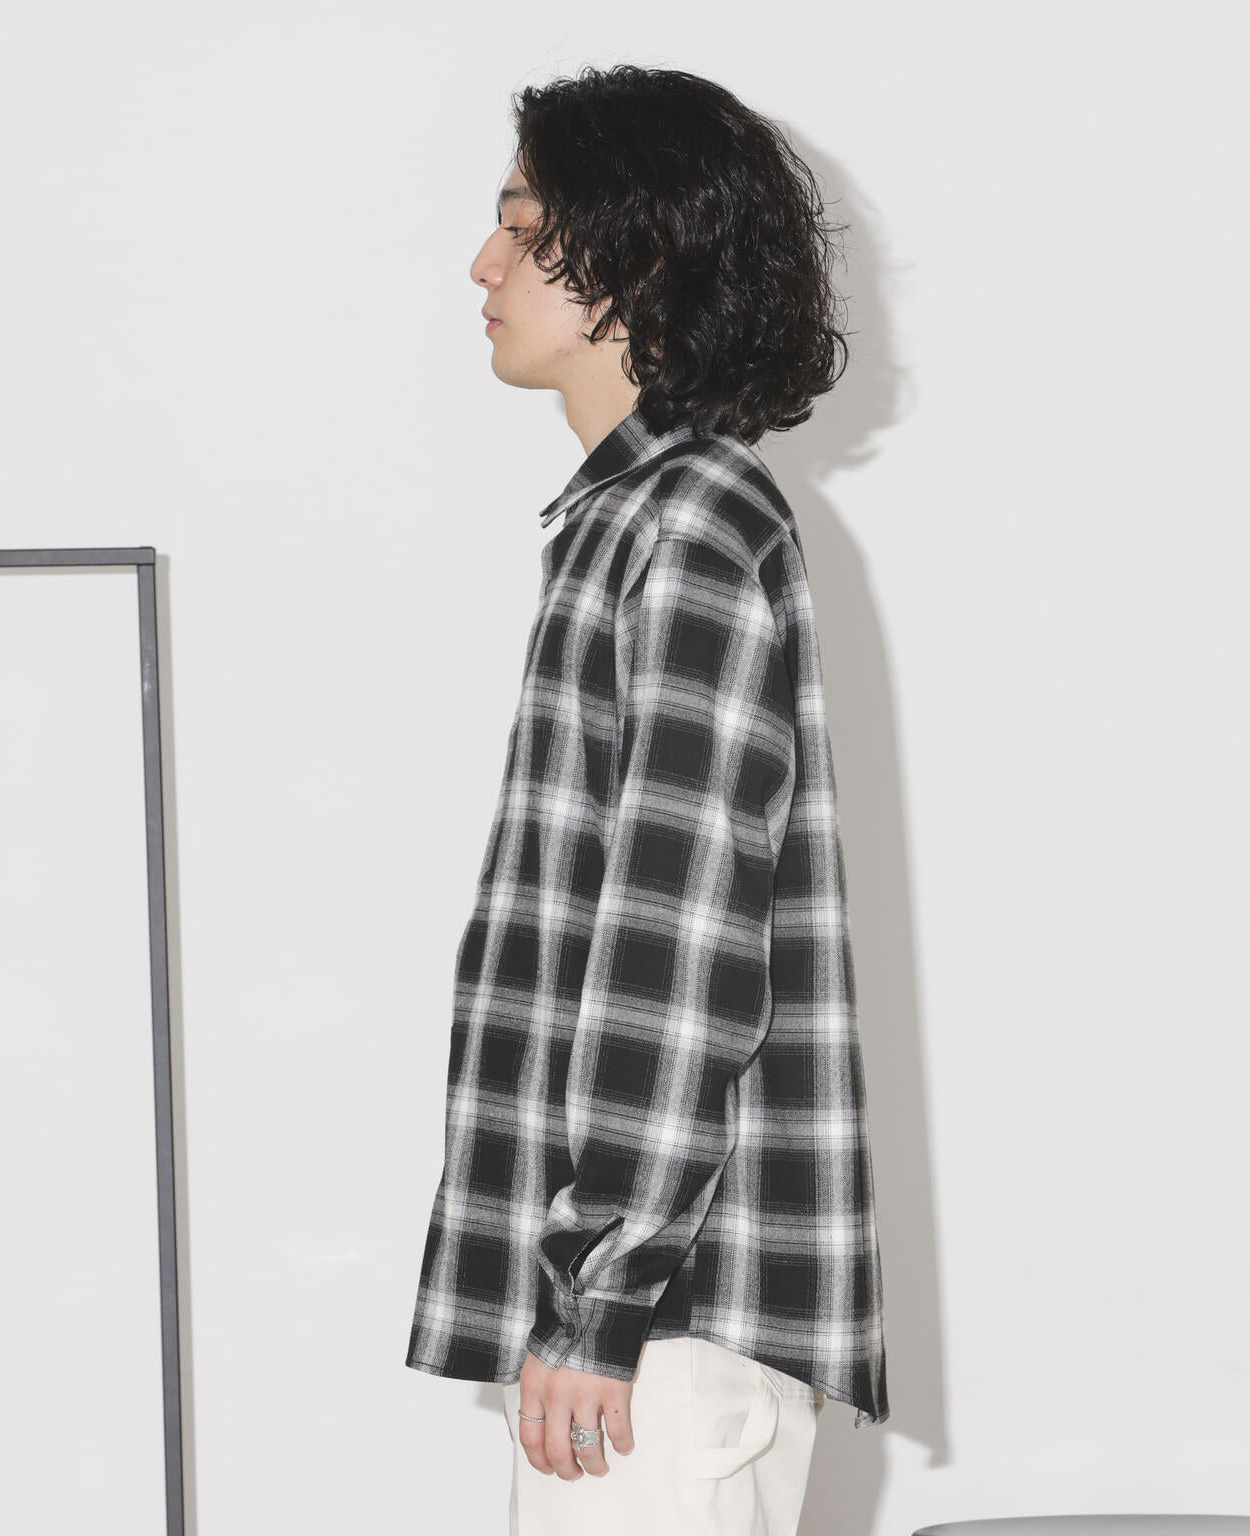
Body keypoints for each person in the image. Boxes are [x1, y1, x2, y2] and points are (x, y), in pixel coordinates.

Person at [404, 63, 889, 1535]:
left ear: (639, 259)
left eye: (521, 227)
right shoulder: (638, 519)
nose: (482, 264)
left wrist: (601, 1293)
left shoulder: (686, 524)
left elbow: (679, 944)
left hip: (661, 1334)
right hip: (655, 1329)